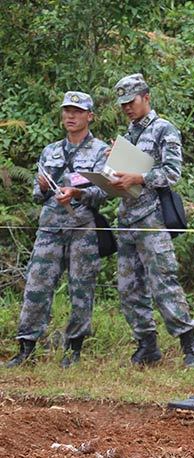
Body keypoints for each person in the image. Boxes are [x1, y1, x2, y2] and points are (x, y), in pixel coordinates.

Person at [6, 91, 108, 369]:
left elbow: (103, 193)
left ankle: (73, 350)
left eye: (77, 111)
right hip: (50, 229)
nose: (71, 116)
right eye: (67, 111)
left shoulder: (101, 151)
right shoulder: (50, 151)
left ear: (90, 116)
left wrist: (77, 193)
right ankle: (26, 347)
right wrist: (41, 188)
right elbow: (36, 196)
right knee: (36, 286)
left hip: (82, 230)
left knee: (81, 290)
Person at [110, 73, 194, 368]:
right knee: (129, 287)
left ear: (146, 97)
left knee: (164, 283)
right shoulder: (129, 134)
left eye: (131, 101)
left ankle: (189, 345)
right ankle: (147, 346)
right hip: (127, 219)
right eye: (123, 104)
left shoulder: (164, 129)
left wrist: (138, 177)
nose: (127, 108)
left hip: (152, 220)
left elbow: (172, 173)